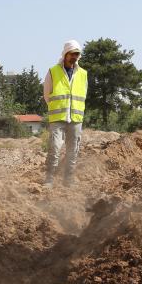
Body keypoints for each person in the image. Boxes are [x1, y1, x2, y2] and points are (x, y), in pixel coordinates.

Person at [42, 40, 88, 186]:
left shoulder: (83, 74)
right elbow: (46, 94)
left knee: (72, 151)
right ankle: (49, 180)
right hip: (58, 117)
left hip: (76, 117)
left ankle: (68, 180)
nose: (75, 56)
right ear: (65, 54)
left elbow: (83, 94)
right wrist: (58, 107)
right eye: (72, 53)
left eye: (77, 54)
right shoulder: (53, 71)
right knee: (55, 147)